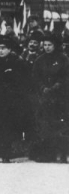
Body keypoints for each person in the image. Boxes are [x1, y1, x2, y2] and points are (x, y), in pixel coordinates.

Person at [31, 34, 69, 163]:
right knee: (45, 125)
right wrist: (42, 87)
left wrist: (57, 86)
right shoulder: (40, 60)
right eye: (45, 45)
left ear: (55, 46)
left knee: (60, 125)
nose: (47, 48)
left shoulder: (63, 59)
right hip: (44, 97)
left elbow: (65, 76)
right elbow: (35, 77)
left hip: (60, 97)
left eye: (50, 45)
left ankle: (62, 153)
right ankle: (47, 153)